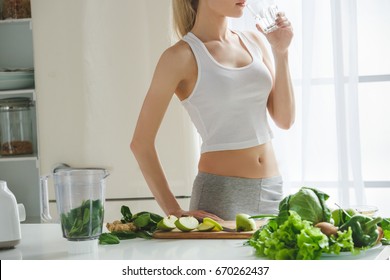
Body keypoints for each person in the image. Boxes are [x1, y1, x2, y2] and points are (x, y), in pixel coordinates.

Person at [131, 0, 294, 221]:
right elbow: (141, 144)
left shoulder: (254, 41)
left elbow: (285, 120)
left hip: (272, 190)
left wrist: (281, 51)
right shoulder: (179, 57)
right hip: (220, 196)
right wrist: (174, 211)